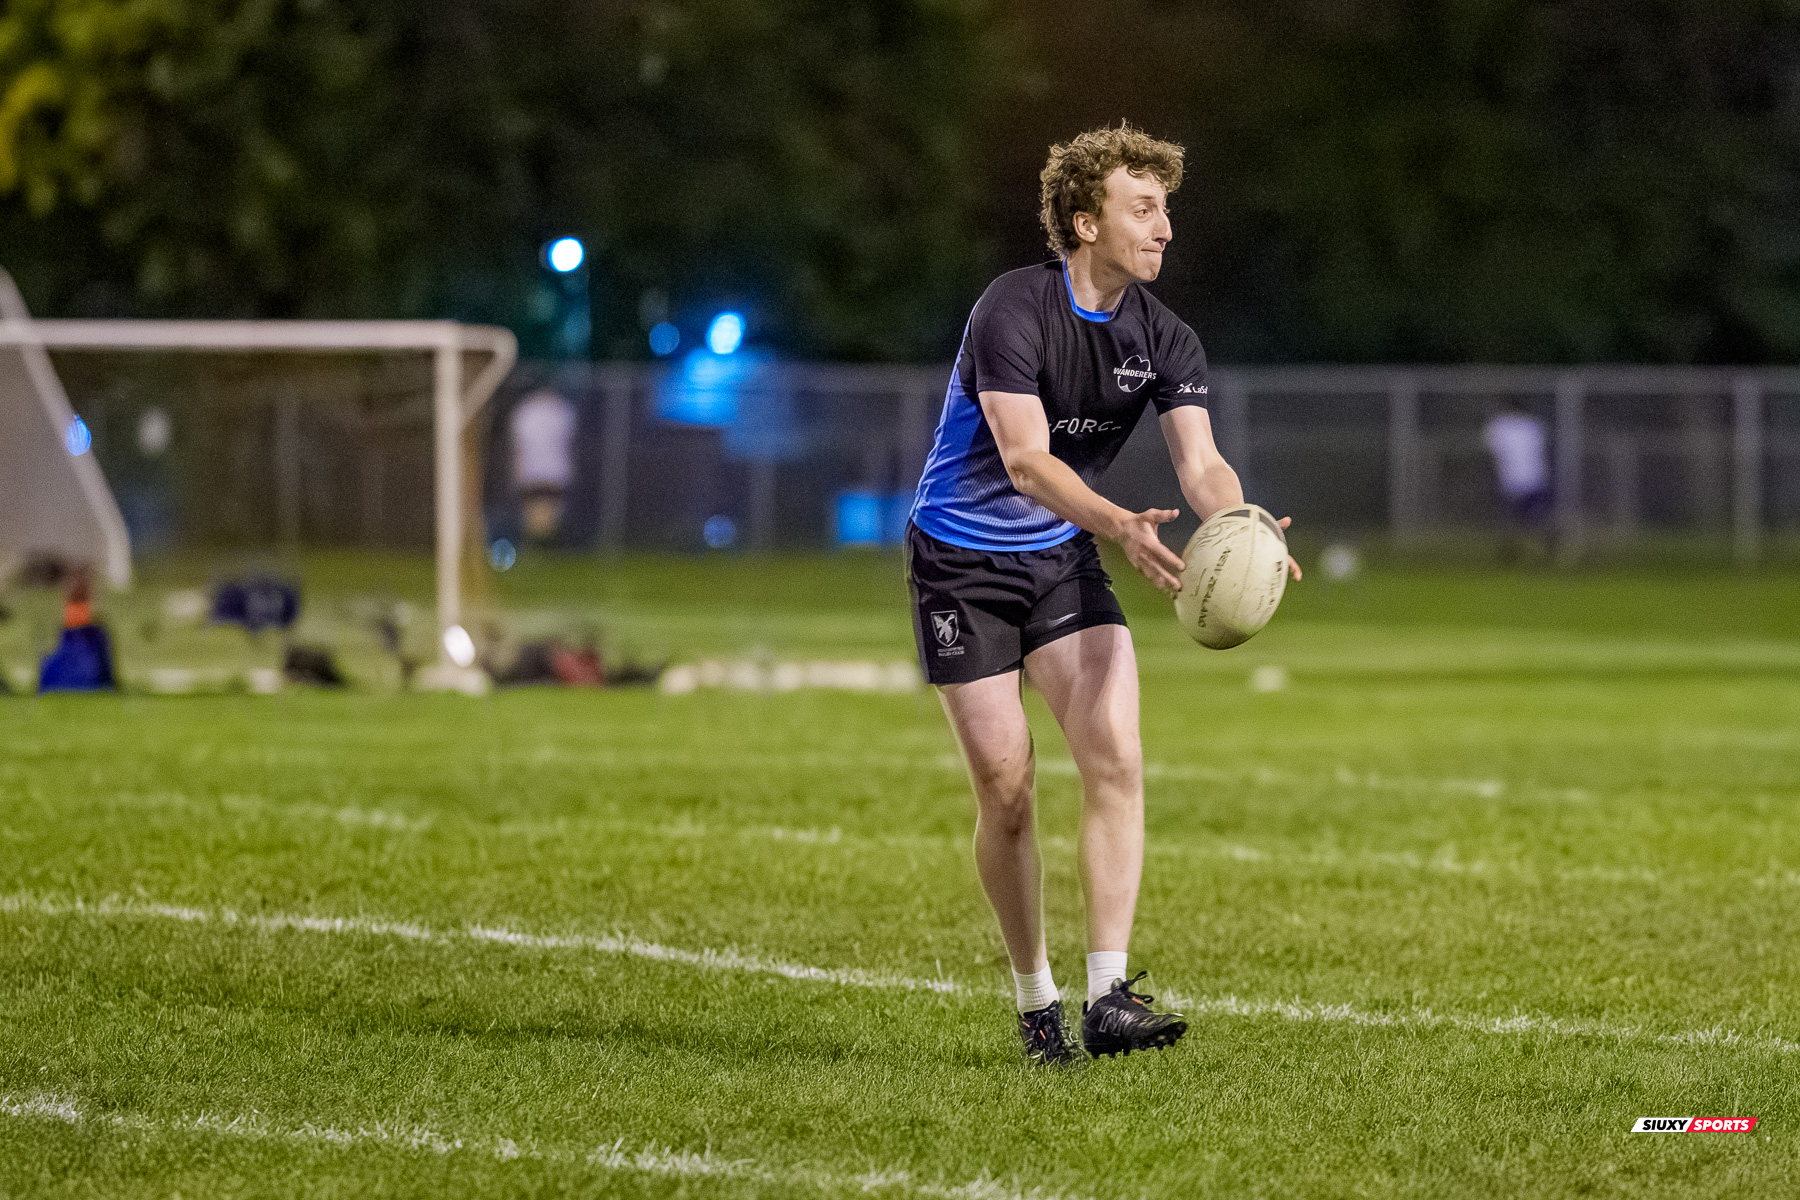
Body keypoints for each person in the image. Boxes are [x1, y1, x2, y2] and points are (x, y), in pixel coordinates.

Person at [906, 123, 1300, 1065]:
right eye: (1143, 209)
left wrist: (1239, 522)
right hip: (960, 560)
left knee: (1115, 756)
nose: (1164, 228)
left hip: (1061, 559)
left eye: (1167, 209)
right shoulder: (1012, 309)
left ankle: (1108, 996)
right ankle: (1036, 1001)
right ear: (1085, 222)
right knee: (1006, 789)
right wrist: (1120, 523)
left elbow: (1200, 463)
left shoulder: (1164, 336)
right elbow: (1025, 460)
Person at [1482, 400, 1552, 560]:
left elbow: (1491, 447)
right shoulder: (1533, 425)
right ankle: (1527, 550)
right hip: (1534, 479)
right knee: (1533, 519)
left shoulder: (1500, 425)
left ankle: (1514, 551)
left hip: (1512, 481)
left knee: (1514, 520)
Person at [510, 387, 577, 543]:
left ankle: (548, 543)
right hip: (537, 470)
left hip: (550, 470)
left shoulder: (560, 409)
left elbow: (568, 443)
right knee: (535, 512)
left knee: (549, 512)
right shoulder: (527, 410)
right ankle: (537, 543)